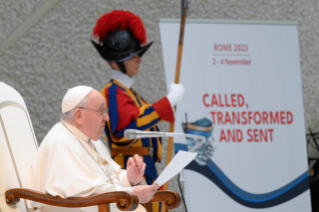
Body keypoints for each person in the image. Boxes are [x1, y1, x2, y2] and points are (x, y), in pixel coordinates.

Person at [91, 11, 185, 201]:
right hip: (130, 171)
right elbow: (128, 128)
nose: (139, 59)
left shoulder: (130, 94)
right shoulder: (112, 93)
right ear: (117, 61)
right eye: (132, 56)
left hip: (145, 168)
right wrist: (167, 102)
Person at [28, 85, 159, 212]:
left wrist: (128, 178)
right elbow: (82, 193)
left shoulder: (93, 142)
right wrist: (130, 193)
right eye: (101, 111)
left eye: (106, 111)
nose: (107, 117)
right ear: (79, 115)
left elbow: (105, 180)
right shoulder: (59, 143)